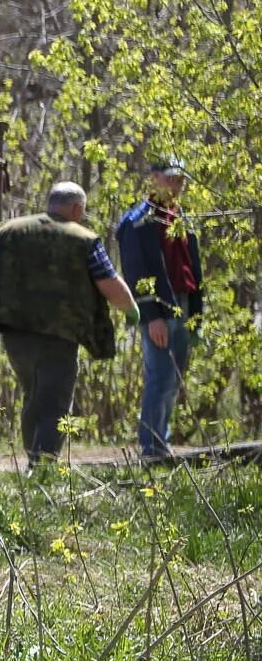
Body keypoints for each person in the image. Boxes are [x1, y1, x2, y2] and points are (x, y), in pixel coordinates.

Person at [0, 181, 139, 462]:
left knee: (33, 393)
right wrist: (131, 308)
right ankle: (43, 466)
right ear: (77, 208)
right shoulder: (83, 238)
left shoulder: (8, 232)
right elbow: (108, 282)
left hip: (15, 333)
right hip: (59, 334)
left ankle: (34, 458)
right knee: (55, 400)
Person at [114, 157, 205, 460]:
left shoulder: (180, 217)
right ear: (153, 179)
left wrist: (197, 318)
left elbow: (193, 268)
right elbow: (137, 273)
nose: (177, 185)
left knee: (174, 377)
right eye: (170, 179)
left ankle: (160, 441)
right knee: (161, 375)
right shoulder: (138, 221)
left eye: (181, 180)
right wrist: (152, 316)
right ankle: (152, 447)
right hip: (159, 309)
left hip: (184, 304)